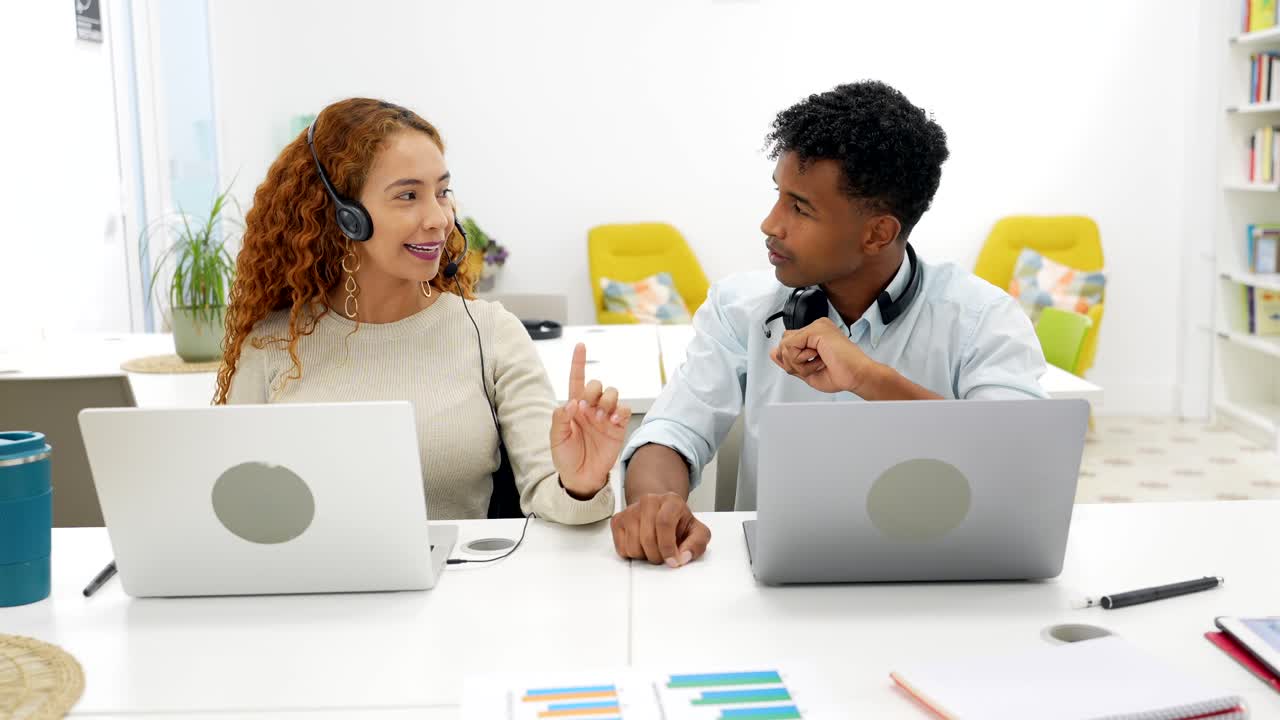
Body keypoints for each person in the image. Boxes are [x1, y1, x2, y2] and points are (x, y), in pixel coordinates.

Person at [612, 81, 1048, 566]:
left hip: (939, 576)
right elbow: (673, 431)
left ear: (877, 233)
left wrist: (868, 378)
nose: (770, 223)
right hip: (774, 595)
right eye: (778, 195)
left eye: (800, 207)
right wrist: (654, 503)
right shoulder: (741, 308)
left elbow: (1019, 467)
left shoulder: (982, 320)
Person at [216, 98, 626, 523]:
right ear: (344, 215)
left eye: (442, 192)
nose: (439, 218)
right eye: (408, 195)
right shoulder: (271, 343)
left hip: (463, 585)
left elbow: (549, 493)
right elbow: (232, 504)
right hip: (310, 586)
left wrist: (579, 484)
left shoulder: (490, 333)